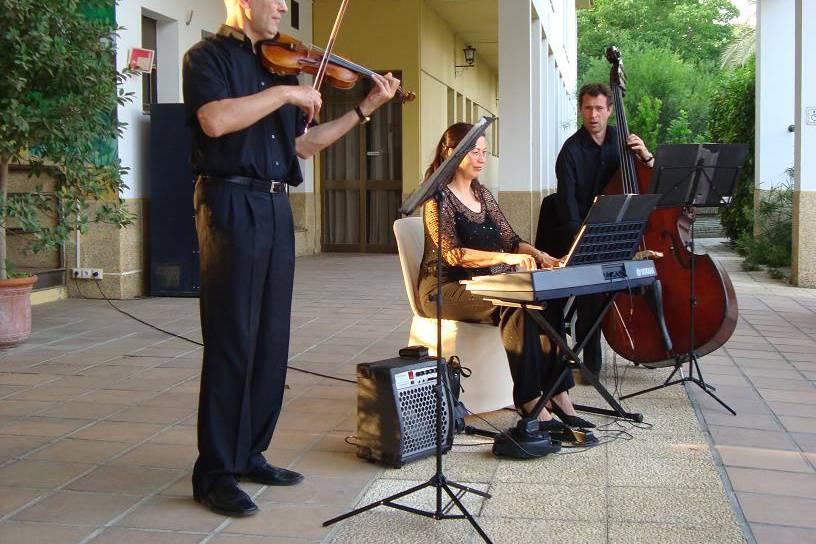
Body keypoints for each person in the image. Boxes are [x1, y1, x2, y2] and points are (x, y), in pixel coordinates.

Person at [183, 0, 400, 517]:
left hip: (276, 205)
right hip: (230, 202)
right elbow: (214, 121)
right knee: (232, 337)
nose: (284, 5)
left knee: (270, 340)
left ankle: (250, 451)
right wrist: (284, 91)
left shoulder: (276, 62)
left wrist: (364, 109)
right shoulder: (206, 57)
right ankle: (215, 470)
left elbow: (304, 146)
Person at [416, 123, 595, 433]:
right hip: (444, 289)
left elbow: (511, 239)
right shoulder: (436, 199)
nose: (481, 159)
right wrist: (506, 258)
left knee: (545, 299)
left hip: (483, 284)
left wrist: (541, 256)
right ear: (451, 152)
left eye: (485, 152)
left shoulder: (481, 194)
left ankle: (558, 394)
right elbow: (453, 255)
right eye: (475, 152)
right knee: (513, 303)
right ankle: (529, 401)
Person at [551, 82, 654, 380]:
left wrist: (645, 153)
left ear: (610, 110)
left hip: (623, 231)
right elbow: (567, 212)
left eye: (599, 108)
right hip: (584, 233)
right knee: (592, 293)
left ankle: (654, 346)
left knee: (651, 276)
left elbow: (650, 181)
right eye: (587, 108)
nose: (593, 114)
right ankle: (591, 363)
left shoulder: (623, 144)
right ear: (581, 110)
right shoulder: (570, 152)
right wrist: (587, 242)